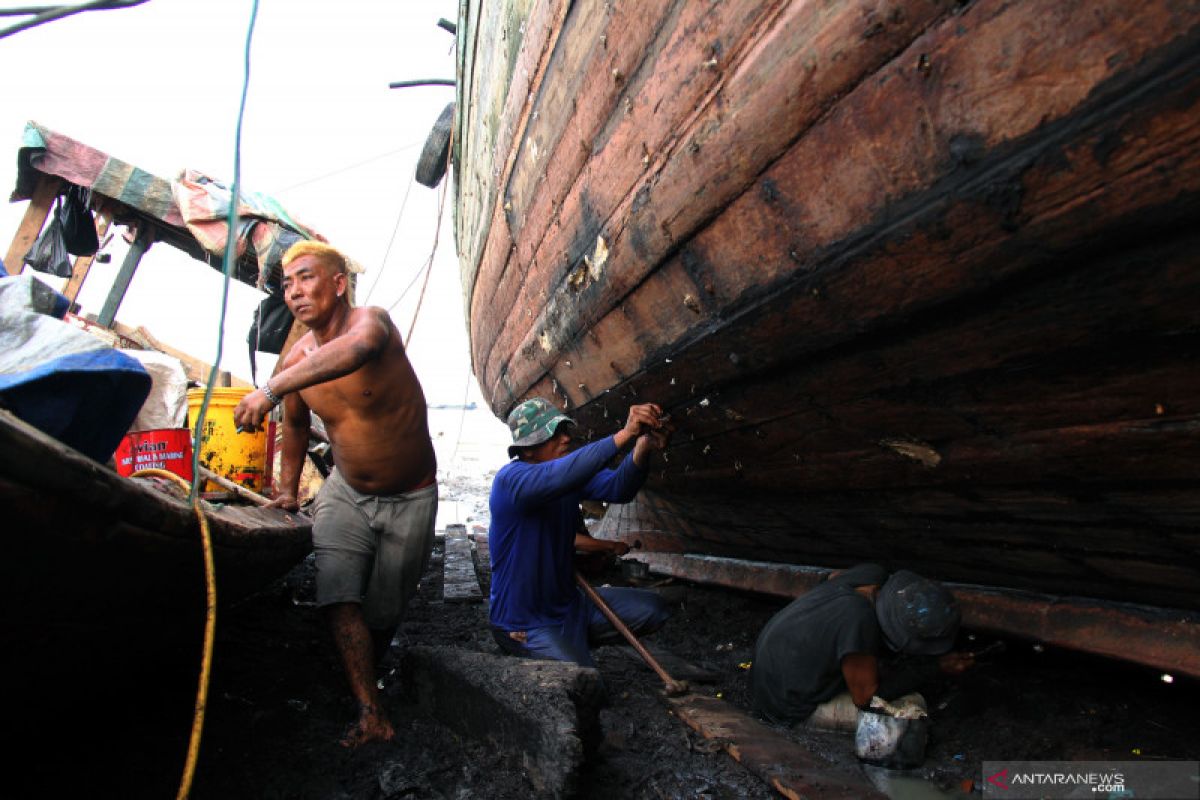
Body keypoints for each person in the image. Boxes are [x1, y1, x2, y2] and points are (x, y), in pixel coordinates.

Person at [233, 241, 437, 747]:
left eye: (306, 278)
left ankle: (371, 663)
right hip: (345, 489)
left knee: (385, 610)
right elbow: (297, 426)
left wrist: (272, 387)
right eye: (287, 285)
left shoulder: (372, 324)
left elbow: (356, 352)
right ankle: (369, 709)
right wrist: (286, 490)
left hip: (410, 494)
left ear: (339, 282)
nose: (295, 292)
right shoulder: (298, 360)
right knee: (338, 595)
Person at [488, 397, 671, 667]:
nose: (565, 439)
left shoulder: (567, 480)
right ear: (526, 450)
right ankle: (559, 649)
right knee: (585, 681)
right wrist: (625, 434)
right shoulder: (511, 481)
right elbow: (561, 474)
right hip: (523, 622)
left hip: (570, 605)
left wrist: (642, 446)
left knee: (654, 609)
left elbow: (619, 488)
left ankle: (573, 642)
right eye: (553, 434)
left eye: (565, 431)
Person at [749, 564, 974, 728]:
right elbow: (866, 698)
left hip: (766, 675)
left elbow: (832, 578)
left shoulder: (871, 575)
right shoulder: (860, 622)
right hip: (784, 706)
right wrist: (934, 668)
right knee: (914, 706)